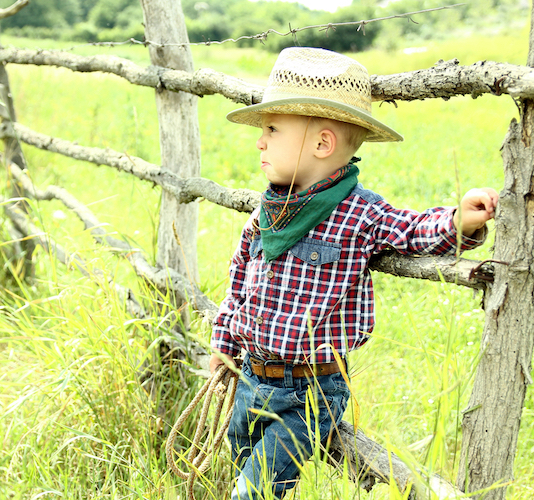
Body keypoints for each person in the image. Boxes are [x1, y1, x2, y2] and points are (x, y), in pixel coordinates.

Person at [208, 47, 498, 499]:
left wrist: (459, 220)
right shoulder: (266, 214)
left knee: (254, 492)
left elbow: (411, 230)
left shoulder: (359, 214)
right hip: (251, 376)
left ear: (323, 144)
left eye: (271, 130)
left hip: (309, 391)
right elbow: (238, 288)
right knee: (241, 466)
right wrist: (224, 349)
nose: (260, 141)